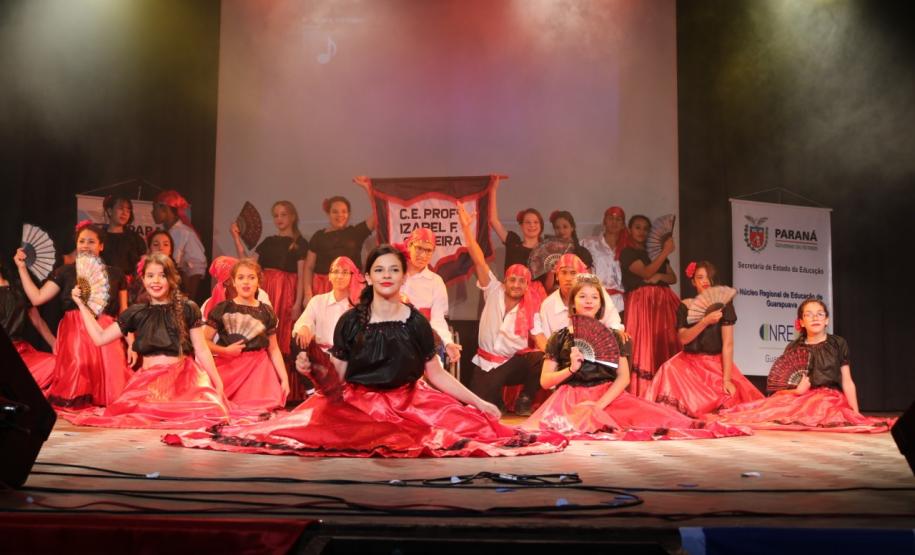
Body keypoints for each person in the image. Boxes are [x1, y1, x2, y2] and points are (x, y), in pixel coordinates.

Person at [165, 245, 567, 457]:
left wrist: (479, 402)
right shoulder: (351, 321)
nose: (387, 275)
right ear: (369, 277)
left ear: (403, 276)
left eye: (394, 269)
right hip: (360, 404)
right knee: (312, 433)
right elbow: (336, 380)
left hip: (410, 401)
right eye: (379, 270)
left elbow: (436, 375)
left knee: (471, 429)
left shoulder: (416, 322)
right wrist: (312, 370)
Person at [523, 274, 750, 441]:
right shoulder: (559, 338)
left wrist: (599, 406)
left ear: (601, 304)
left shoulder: (615, 336)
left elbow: (623, 378)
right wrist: (570, 369)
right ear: (573, 302)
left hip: (608, 396)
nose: (588, 301)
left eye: (594, 297)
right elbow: (545, 381)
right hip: (569, 400)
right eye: (582, 296)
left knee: (663, 420)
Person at [60, 253, 233, 429]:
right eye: (150, 276)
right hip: (149, 384)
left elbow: (201, 349)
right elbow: (100, 338)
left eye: (162, 275)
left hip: (182, 381)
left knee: (213, 413)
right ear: (143, 280)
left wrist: (217, 382)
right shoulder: (137, 312)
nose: (155, 281)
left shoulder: (188, 308)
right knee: (134, 415)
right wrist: (81, 305)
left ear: (171, 279)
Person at [712, 299, 896, 433]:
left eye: (820, 314)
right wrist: (797, 391)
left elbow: (847, 381)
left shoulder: (838, 343)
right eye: (808, 314)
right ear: (801, 322)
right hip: (799, 396)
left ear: (827, 320)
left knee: (818, 410)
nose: (815, 318)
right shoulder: (794, 347)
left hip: (827, 397)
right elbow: (780, 389)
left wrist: (856, 414)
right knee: (768, 411)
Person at [14, 221, 130, 408]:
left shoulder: (116, 274)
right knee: (78, 383)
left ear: (101, 246)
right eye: (81, 241)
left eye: (91, 241)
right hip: (76, 332)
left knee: (110, 391)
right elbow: (37, 298)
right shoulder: (65, 272)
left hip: (107, 333)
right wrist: (21, 268)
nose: (85, 245)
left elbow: (124, 314)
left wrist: (131, 343)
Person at [458, 204, 547, 416]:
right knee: (481, 411)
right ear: (505, 281)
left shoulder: (531, 307)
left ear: (527, 286)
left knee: (543, 358)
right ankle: (496, 399)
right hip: (486, 363)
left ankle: (525, 398)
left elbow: (540, 339)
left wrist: (560, 358)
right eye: (513, 280)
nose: (516, 285)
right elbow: (478, 259)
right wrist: (466, 229)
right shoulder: (493, 290)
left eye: (522, 281)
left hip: (512, 363)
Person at [645, 261, 763, 417]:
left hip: (714, 364)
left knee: (730, 399)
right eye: (700, 277)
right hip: (687, 363)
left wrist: (727, 379)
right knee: (668, 369)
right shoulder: (685, 305)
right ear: (693, 282)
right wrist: (704, 322)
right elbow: (683, 339)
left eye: (708, 277)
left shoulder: (724, 305)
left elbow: (728, 344)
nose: (705, 281)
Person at [205, 259, 289, 413]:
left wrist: (284, 378)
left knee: (260, 411)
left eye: (251, 277)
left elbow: (274, 349)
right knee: (222, 410)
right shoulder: (223, 308)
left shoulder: (266, 311)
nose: (246, 282)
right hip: (229, 368)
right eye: (241, 277)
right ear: (233, 282)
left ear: (258, 282)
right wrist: (225, 350)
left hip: (259, 371)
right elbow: (204, 342)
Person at [230, 201, 308, 367]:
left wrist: (297, 303)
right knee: (263, 329)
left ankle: (282, 373)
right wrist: (236, 238)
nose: (279, 218)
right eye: (276, 215)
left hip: (286, 293)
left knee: (282, 333)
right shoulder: (268, 242)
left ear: (293, 217)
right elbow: (248, 264)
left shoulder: (300, 243)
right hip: (266, 290)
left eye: (283, 214)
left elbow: (302, 276)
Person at [619, 214, 680, 396]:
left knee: (662, 343)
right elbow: (646, 272)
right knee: (643, 345)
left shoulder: (653, 252)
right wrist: (665, 252)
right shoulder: (628, 252)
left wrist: (660, 276)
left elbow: (672, 277)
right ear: (630, 230)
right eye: (637, 227)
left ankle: (665, 390)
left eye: (646, 228)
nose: (642, 232)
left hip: (662, 303)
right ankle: (643, 392)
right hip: (642, 303)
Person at [303, 177, 376, 303]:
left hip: (352, 287)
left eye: (344, 211)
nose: (340, 215)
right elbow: (309, 267)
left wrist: (368, 189)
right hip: (323, 287)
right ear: (328, 214)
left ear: (349, 214)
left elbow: (377, 214)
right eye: (335, 212)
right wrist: (307, 293)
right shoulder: (318, 236)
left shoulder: (356, 233)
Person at [400, 227, 461, 364]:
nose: (423, 254)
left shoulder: (436, 282)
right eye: (419, 248)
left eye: (428, 250)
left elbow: (438, 320)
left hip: (422, 343)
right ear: (409, 246)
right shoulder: (394, 274)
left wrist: (448, 343)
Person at [539, 253, 624, 339]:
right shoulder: (548, 305)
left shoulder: (597, 293)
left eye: (573, 273)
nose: (568, 278)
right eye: (564, 272)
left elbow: (614, 323)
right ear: (557, 276)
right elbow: (547, 341)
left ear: (581, 275)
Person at [1, 260, 56, 390]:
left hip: (22, 351)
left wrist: (55, 344)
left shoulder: (18, 287)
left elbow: (37, 321)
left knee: (56, 364)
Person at [152, 190, 207, 300]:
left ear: (164, 208)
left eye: (155, 208)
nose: (152, 212)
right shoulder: (162, 233)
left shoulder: (185, 233)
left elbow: (197, 267)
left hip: (177, 292)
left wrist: (190, 298)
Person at [581, 206, 628, 318]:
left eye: (618, 219)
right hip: (595, 301)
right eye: (611, 218)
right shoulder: (588, 243)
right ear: (604, 221)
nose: (614, 222)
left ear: (623, 224)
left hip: (621, 304)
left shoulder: (628, 247)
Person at [100, 195, 147, 285]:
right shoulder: (99, 236)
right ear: (110, 211)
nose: (125, 213)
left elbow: (143, 264)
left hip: (130, 286)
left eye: (128, 210)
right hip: (104, 285)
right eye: (121, 208)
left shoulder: (135, 238)